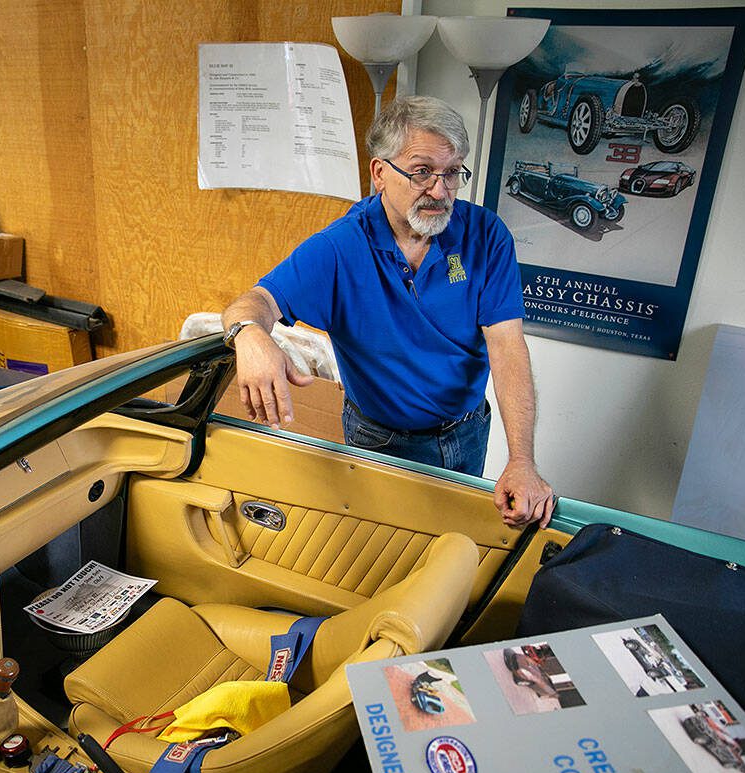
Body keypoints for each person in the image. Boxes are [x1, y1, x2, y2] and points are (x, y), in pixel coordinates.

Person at [220, 95, 553, 528]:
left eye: (452, 173)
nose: (440, 190)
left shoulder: (486, 235)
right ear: (380, 172)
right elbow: (254, 304)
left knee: (452, 546)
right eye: (421, 172)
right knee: (384, 556)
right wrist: (249, 336)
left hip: (468, 430)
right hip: (380, 441)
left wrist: (522, 460)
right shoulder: (340, 248)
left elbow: (507, 347)